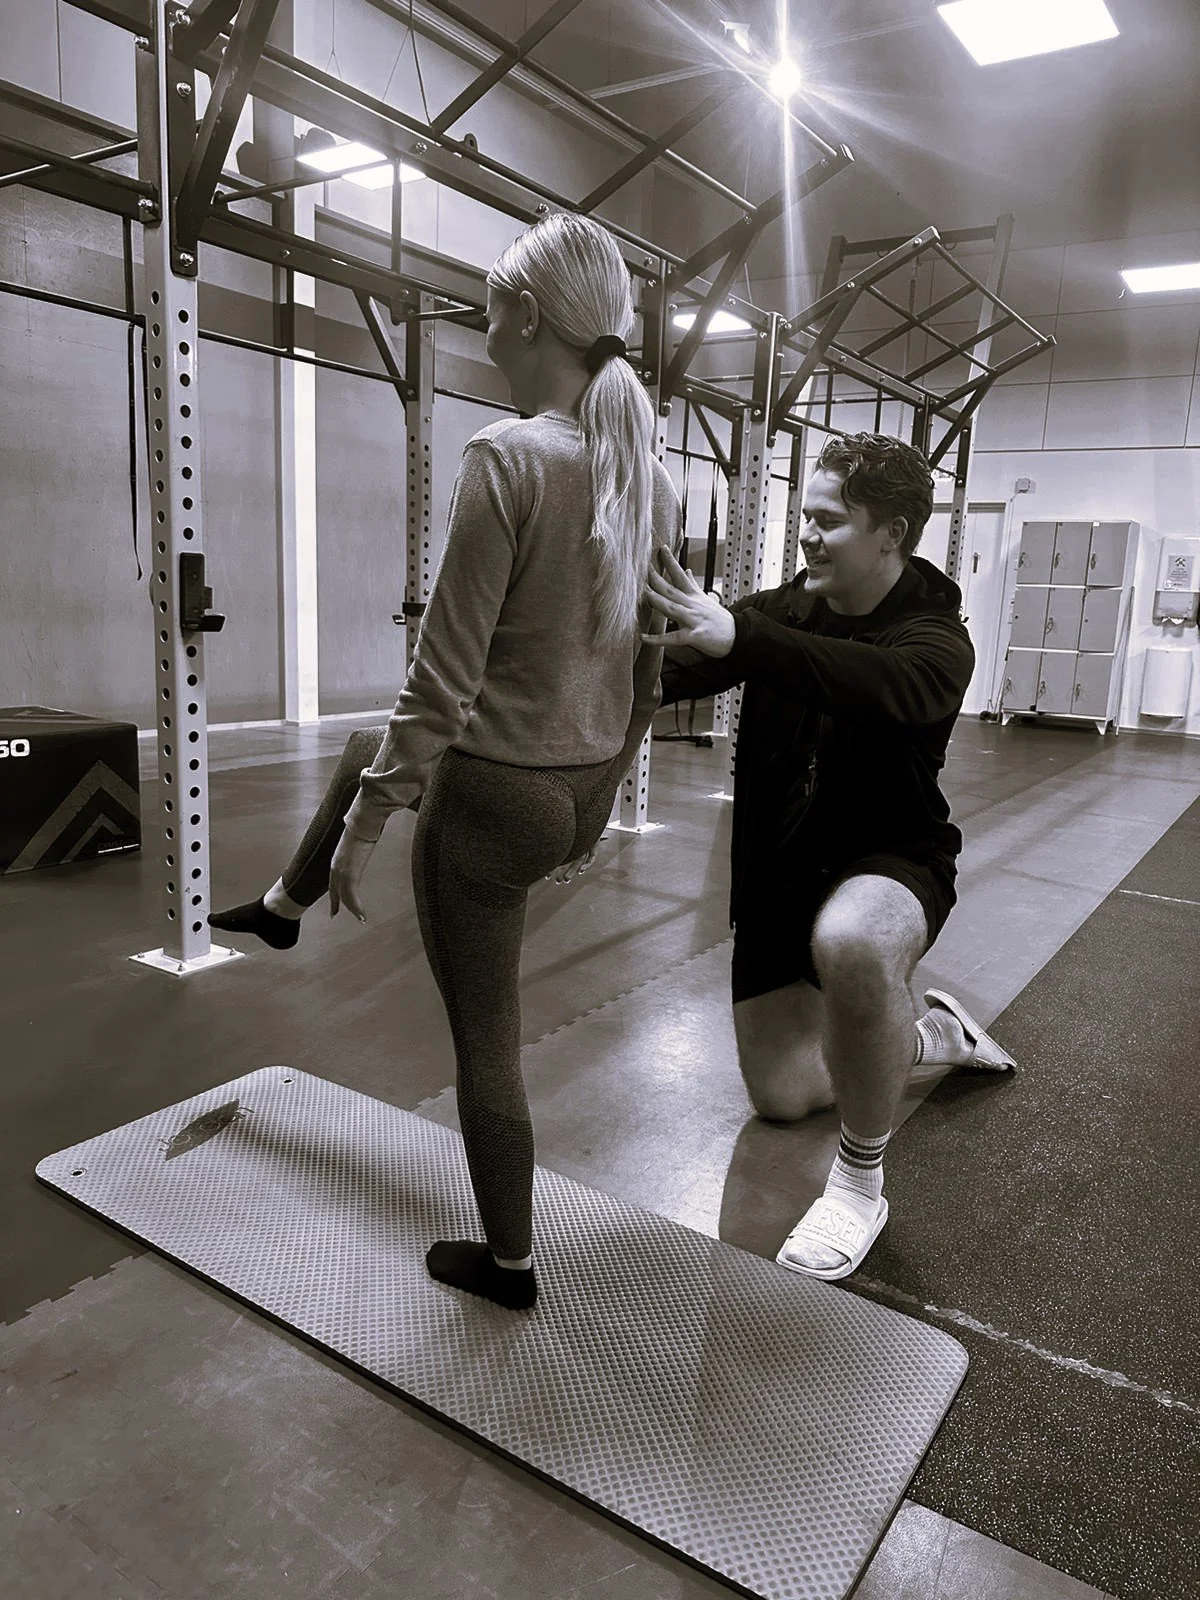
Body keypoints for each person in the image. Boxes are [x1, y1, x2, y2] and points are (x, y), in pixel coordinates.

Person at [213, 213, 681, 1310]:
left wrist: (370, 831)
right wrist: (602, 797)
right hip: (572, 790)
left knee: (489, 1042)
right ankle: (282, 898)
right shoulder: (640, 471)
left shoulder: (508, 457)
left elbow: (443, 679)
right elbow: (651, 670)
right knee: (364, 742)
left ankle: (508, 1263)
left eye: (489, 302)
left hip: (490, 798)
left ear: (523, 315)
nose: (480, 322)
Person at [643, 431, 1015, 1281]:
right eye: (804, 517)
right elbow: (685, 671)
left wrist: (737, 634)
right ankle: (931, 1037)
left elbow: (863, 680)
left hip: (892, 860)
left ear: (893, 533)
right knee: (782, 1100)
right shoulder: (783, 612)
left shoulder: (936, 639)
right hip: (782, 874)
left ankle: (858, 1183)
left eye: (829, 521)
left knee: (854, 943)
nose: (808, 535)